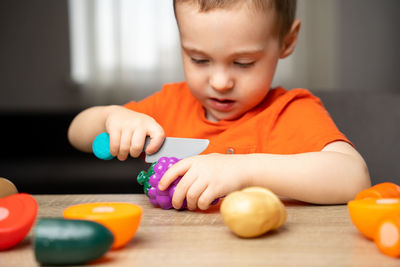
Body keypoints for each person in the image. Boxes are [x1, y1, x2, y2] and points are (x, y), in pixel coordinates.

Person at [68, 0, 371, 210]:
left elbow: (354, 178)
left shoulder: (290, 111)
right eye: (199, 59)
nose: (220, 82)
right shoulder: (170, 104)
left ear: (287, 41)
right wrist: (111, 117)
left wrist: (241, 171)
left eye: (243, 62)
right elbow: (77, 133)